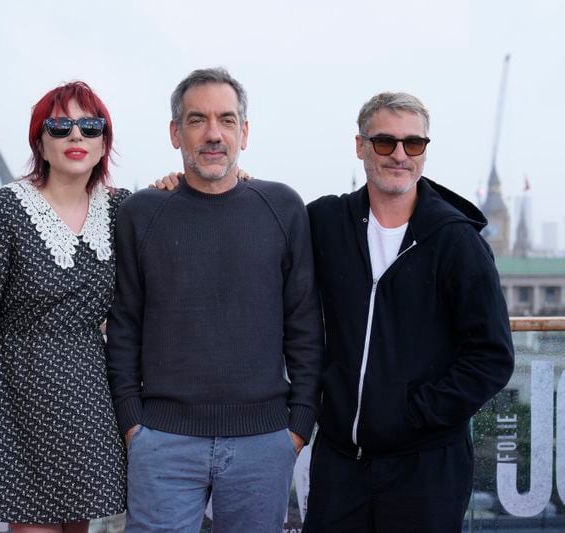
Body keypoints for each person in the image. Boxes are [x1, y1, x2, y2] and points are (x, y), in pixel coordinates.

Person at [106, 67, 324, 532]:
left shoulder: (283, 208)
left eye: (226, 120)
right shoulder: (140, 213)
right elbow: (124, 324)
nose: (212, 134)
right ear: (174, 132)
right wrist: (132, 424)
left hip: (265, 440)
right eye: (196, 120)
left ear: (244, 132)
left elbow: (305, 324)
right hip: (160, 439)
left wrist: (299, 426)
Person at [303, 92, 514, 532]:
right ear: (360, 147)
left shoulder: (457, 242)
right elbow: (261, 234)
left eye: (413, 144)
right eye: (384, 142)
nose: (399, 155)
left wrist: (414, 415)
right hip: (341, 462)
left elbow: (492, 356)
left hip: (427, 466)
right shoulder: (326, 222)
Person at [0, 81, 130, 533]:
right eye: (61, 126)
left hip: (92, 394)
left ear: (104, 142)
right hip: (20, 395)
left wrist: (234, 179)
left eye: (90, 126)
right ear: (40, 140)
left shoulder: (122, 210)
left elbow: (186, 205)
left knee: (78, 527)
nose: (76, 136)